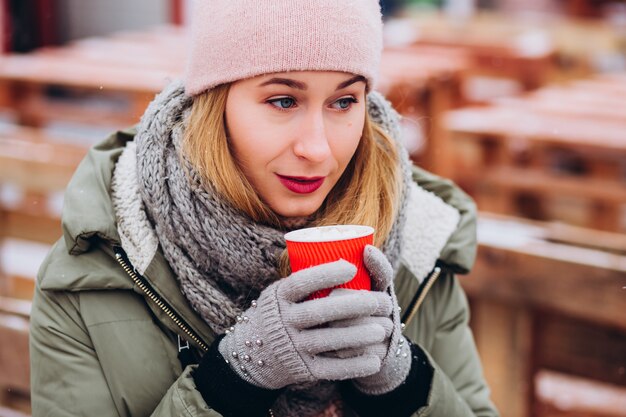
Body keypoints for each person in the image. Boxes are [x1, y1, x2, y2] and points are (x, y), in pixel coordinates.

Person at [29, 1, 499, 416]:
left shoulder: (419, 238)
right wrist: (230, 385)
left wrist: (405, 385)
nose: (317, 148)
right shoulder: (97, 270)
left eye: (342, 101)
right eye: (282, 100)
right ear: (216, 103)